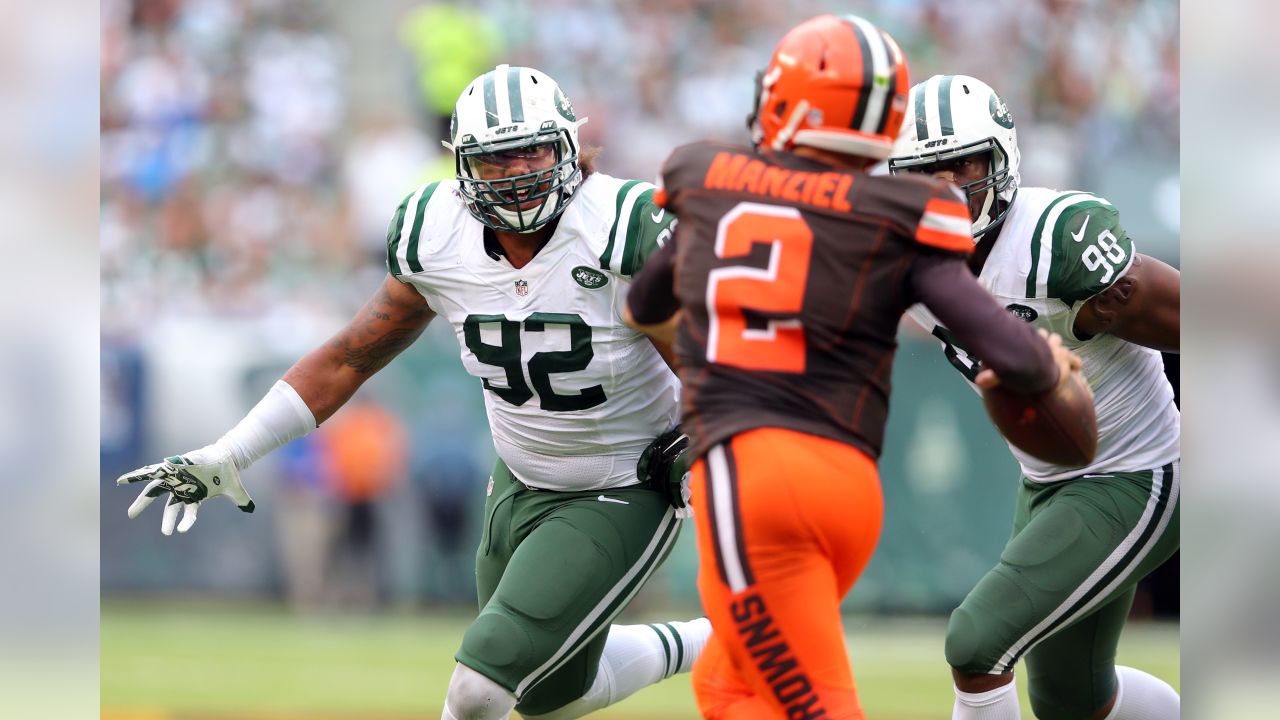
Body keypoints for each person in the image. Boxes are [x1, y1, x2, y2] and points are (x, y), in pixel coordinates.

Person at [118, 64, 711, 720]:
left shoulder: (622, 226)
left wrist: (706, 436)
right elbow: (349, 357)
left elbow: (709, 363)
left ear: (570, 147)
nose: (514, 172)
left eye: (531, 151)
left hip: (622, 483)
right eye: (493, 160)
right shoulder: (435, 230)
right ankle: (722, 643)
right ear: (461, 166)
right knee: (550, 695)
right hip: (517, 479)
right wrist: (233, 452)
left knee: (479, 688)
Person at [624, 15, 1081, 720]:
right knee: (728, 684)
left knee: (816, 706)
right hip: (849, 489)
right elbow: (1016, 353)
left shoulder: (713, 182)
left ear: (785, 101)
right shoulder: (904, 210)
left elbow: (644, 301)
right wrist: (1053, 370)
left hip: (754, 478)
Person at [887, 74, 1181, 720]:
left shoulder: (1055, 240)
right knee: (1072, 699)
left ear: (1001, 158)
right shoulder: (901, 262)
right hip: (1048, 477)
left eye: (961, 165)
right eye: (923, 173)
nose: (944, 191)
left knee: (976, 641)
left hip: (1136, 469)